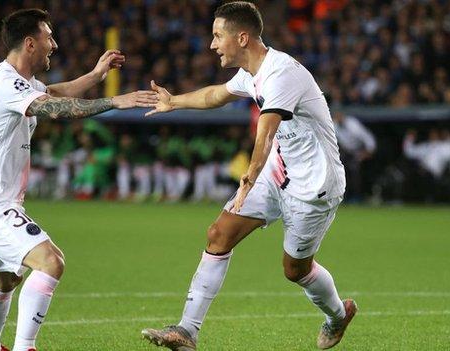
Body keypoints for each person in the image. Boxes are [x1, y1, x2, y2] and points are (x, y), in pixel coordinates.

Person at [141, 2, 356, 350]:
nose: (212, 44)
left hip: (313, 185)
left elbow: (266, 132)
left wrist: (249, 177)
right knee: (218, 234)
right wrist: (174, 101)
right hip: (277, 170)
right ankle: (186, 331)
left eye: (217, 36)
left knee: (295, 270)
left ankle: (337, 315)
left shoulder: (281, 73)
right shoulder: (251, 72)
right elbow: (216, 95)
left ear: (241, 38)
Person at [0, 9, 157, 351]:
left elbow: (54, 92)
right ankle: (25, 347)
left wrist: (96, 75)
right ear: (30, 43)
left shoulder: (16, 82)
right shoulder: (7, 85)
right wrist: (114, 101)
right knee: (51, 262)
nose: (55, 44)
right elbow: (56, 109)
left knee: (5, 278)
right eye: (49, 38)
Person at [332, 110, 376, 202]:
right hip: (347, 152)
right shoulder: (334, 125)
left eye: (338, 115)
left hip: (360, 150)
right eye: (335, 116)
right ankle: (344, 196)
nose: (337, 117)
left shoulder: (353, 125)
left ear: (342, 115)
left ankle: (358, 196)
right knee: (340, 171)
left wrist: (368, 152)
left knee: (355, 171)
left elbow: (368, 138)